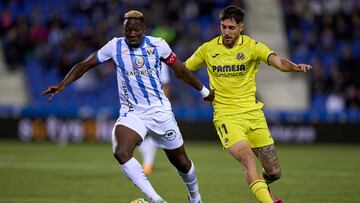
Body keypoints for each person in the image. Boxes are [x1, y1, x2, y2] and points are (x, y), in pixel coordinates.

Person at [42, 10, 214, 203]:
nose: (132, 34)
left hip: (160, 112)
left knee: (181, 162)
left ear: (144, 29)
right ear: (123, 29)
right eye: (128, 30)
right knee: (121, 151)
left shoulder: (158, 45)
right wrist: (63, 84)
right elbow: (85, 64)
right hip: (132, 113)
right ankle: (155, 199)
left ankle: (195, 197)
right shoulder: (114, 46)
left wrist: (205, 92)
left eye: (136, 30)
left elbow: (181, 70)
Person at [185, 5, 311, 203]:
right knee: (248, 160)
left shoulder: (252, 46)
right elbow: (184, 70)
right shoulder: (208, 49)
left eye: (231, 28)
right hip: (226, 116)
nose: (226, 32)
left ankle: (261, 186)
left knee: (274, 172)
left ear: (241, 27)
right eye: (223, 27)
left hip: (254, 114)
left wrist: (294, 67)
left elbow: (276, 61)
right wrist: (203, 90)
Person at [138, 63, 171, 175]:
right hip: (137, 102)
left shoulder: (159, 61)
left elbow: (165, 84)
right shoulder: (130, 56)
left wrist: (164, 106)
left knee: (150, 134)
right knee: (139, 136)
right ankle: (147, 163)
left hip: (155, 103)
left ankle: (147, 164)